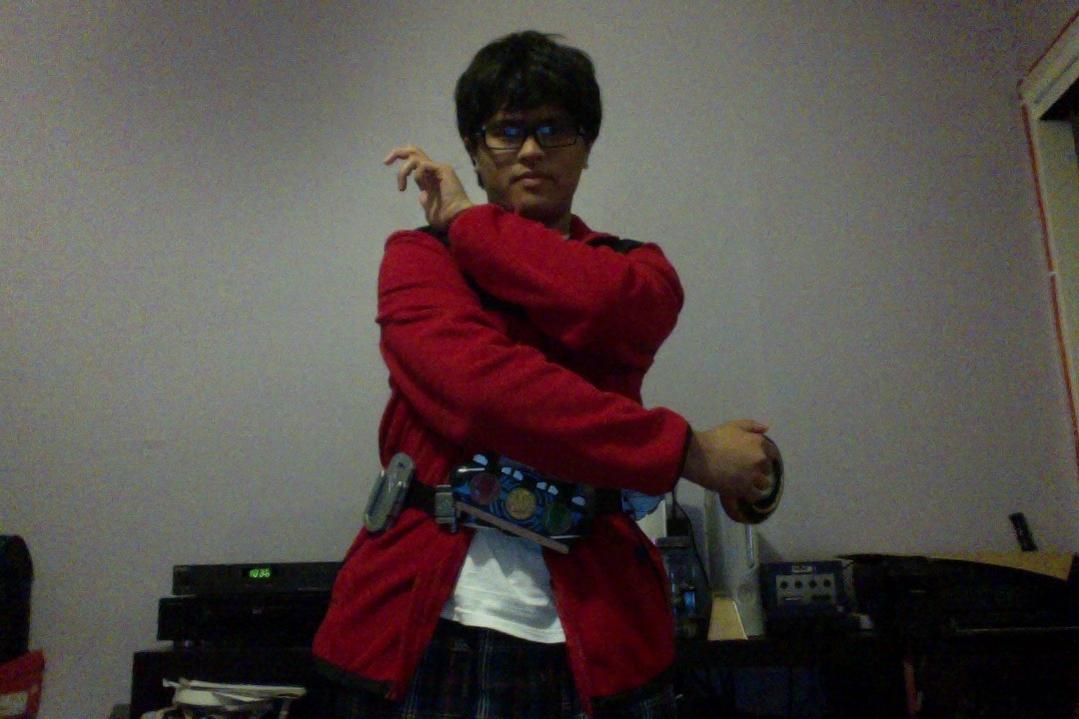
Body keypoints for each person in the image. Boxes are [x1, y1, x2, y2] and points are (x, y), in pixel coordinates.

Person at [313, 30, 775, 719]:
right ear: (474, 150)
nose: (530, 150)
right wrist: (688, 453)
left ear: (586, 147)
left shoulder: (636, 270)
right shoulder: (417, 258)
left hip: (602, 629)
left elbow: (601, 305)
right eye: (507, 130)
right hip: (423, 624)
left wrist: (469, 223)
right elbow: (482, 395)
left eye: (554, 129)